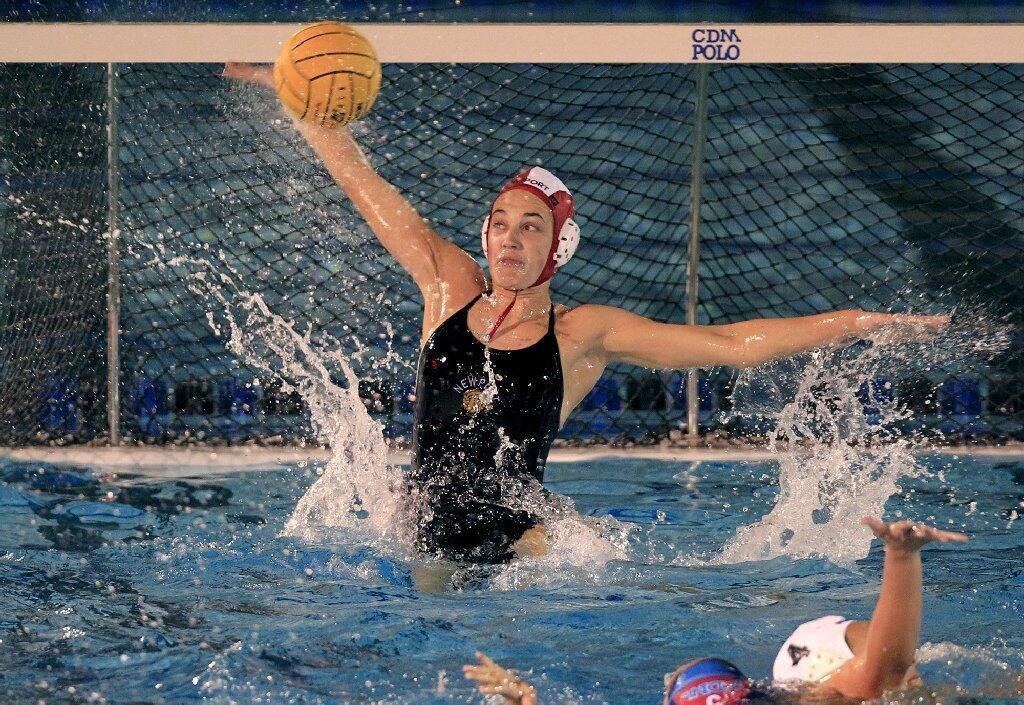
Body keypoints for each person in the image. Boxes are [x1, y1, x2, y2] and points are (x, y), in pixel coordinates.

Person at [223, 62, 948, 565]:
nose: (509, 236)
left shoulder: (583, 334)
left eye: (530, 226)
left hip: (525, 550)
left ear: (557, 247)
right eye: (500, 222)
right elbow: (366, 188)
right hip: (418, 531)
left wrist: (853, 321)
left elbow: (731, 344)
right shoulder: (448, 287)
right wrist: (301, 106)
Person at [462, 516, 968, 704]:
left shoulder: (827, 693)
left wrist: (901, 557)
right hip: (804, 658)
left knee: (903, 690)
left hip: (814, 660)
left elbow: (887, 668)